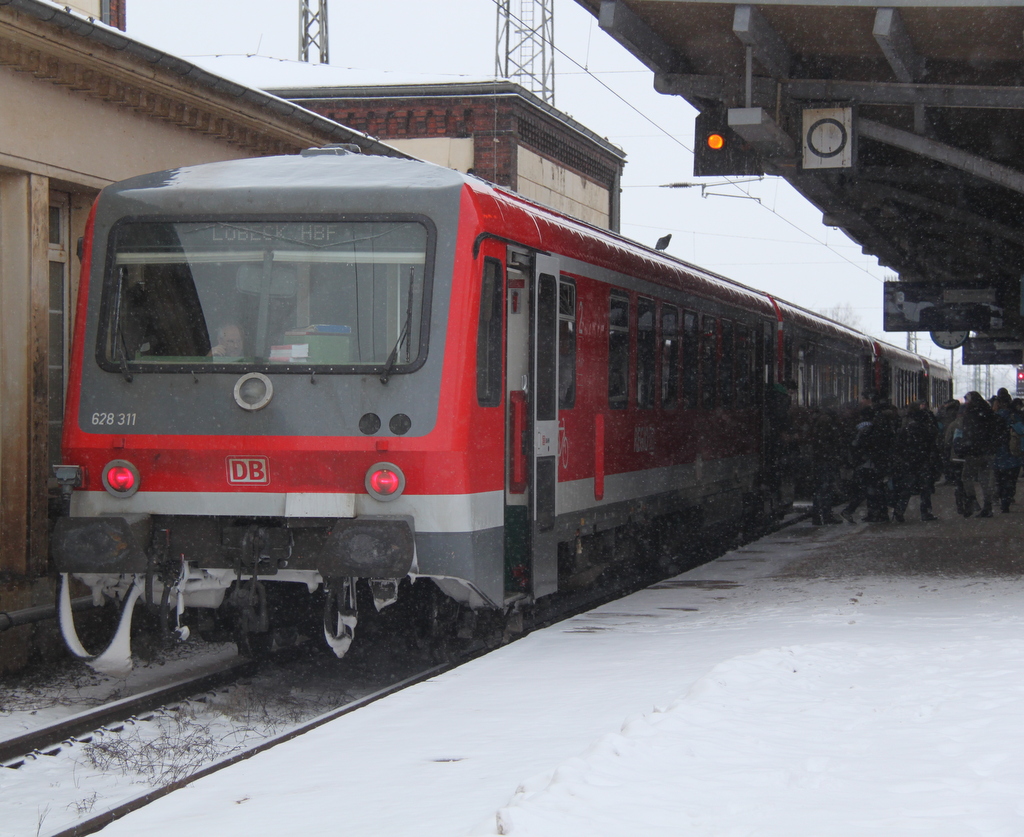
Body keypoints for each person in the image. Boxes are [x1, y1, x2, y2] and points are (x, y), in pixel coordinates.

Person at [891, 400, 941, 522]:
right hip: (923, 460)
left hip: (909, 460)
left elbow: (898, 445)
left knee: (907, 487)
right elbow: (932, 445)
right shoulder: (926, 429)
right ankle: (926, 512)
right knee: (925, 488)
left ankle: (899, 511)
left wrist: (902, 458)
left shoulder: (906, 428)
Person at [957, 391, 1000, 517]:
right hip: (988, 452)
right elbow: (995, 432)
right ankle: (988, 506)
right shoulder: (989, 412)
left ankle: (972, 500)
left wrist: (965, 446)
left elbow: (968, 432)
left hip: (973, 452)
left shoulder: (970, 414)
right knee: (985, 479)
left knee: (966, 477)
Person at [808, 396, 845, 524]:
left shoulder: (822, 418)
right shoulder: (826, 419)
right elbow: (825, 440)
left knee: (822, 487)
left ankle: (820, 515)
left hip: (823, 458)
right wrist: (831, 454)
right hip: (825, 458)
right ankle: (823, 515)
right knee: (825, 487)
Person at [992, 390, 1024, 513]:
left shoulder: (993, 416)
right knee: (1010, 480)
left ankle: (1001, 497)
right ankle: (1006, 500)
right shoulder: (1014, 416)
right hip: (1013, 451)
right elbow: (1021, 430)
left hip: (998, 453)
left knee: (1000, 479)